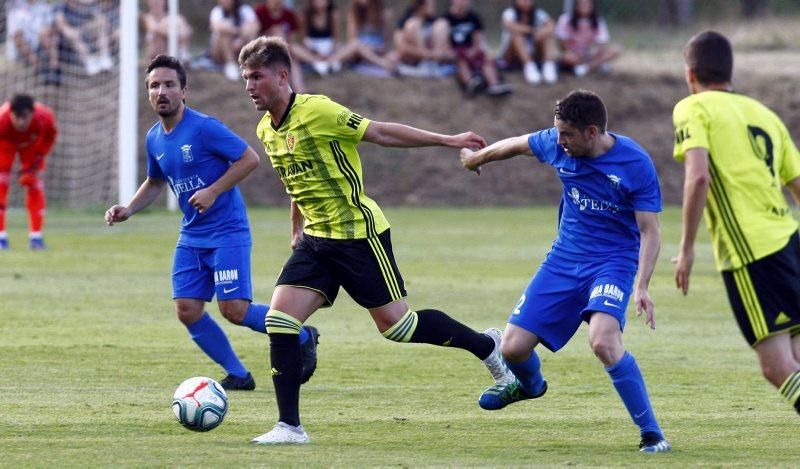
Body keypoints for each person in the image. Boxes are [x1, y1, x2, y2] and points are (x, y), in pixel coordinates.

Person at [238, 36, 514, 444]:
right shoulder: (266, 128)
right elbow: (296, 180)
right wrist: (296, 226)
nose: (248, 86)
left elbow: (381, 133)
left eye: (256, 76)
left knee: (399, 327)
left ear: (282, 76)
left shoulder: (318, 110)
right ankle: (289, 427)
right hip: (316, 241)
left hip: (358, 235)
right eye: (244, 77)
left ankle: (487, 347)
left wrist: (447, 140)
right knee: (280, 321)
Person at [459, 89, 671, 453]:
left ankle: (652, 434)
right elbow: (516, 144)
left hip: (612, 262)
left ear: (592, 131)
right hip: (563, 259)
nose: (558, 141)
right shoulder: (558, 144)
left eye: (566, 134)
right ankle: (529, 385)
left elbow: (649, 230)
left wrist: (643, 285)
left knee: (603, 341)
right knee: (512, 349)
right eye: (557, 132)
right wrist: (475, 158)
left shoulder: (634, 163)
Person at [104, 55, 319, 391]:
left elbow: (249, 158)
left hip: (227, 232)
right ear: (148, 92)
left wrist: (214, 190)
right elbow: (156, 181)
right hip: (192, 236)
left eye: (169, 85)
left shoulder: (204, 128)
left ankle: (303, 334)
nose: (162, 91)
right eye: (154, 85)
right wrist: (129, 209)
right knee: (187, 309)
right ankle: (238, 374)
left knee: (234, 309)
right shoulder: (154, 138)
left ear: (184, 90)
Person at [673, 31, 800, 416]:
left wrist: (686, 249)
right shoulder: (763, 113)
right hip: (789, 241)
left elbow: (698, 177)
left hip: (750, 250)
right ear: (729, 72)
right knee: (796, 354)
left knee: (776, 366)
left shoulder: (693, 108)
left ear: (690, 74)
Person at [0, 94, 57, 250]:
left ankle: (36, 238)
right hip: (5, 143)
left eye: (24, 117)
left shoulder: (45, 117)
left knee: (33, 183)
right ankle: (1, 238)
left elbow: (50, 138)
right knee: (1, 184)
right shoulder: (1, 120)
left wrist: (36, 161)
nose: (20, 122)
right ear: (10, 114)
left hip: (30, 145)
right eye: (16, 117)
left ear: (32, 113)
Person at [437, 0, 513, 96]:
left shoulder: (474, 18)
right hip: (455, 52)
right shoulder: (444, 19)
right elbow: (443, 42)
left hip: (471, 50)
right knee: (460, 60)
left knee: (486, 61)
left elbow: (478, 40)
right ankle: (470, 82)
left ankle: (494, 84)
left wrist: (474, 50)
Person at [497, 0, 558, 85]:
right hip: (511, 55)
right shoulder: (510, 13)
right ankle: (529, 66)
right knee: (517, 36)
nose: (526, 2)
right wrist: (531, 31)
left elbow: (551, 26)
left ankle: (548, 66)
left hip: (534, 52)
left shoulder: (539, 14)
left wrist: (541, 33)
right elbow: (510, 25)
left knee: (546, 37)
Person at [555, 0, 621, 77]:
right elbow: (562, 43)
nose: (584, 6)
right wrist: (575, 53)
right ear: (576, 5)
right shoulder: (565, 19)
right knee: (566, 57)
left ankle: (585, 68)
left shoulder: (598, 20)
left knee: (616, 49)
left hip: (590, 53)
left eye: (587, 4)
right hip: (573, 54)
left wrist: (588, 52)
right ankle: (596, 64)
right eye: (582, 4)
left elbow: (601, 44)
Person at [5, 0, 61, 85]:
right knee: (17, 36)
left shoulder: (44, 7)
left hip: (41, 44)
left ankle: (55, 69)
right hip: (24, 48)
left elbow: (50, 26)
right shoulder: (17, 9)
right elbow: (14, 33)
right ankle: (39, 70)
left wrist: (43, 32)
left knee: (49, 35)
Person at [253, 0, 306, 91]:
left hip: (285, 51)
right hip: (265, 51)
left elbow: (292, 39)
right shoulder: (259, 12)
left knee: (292, 59)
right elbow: (253, 38)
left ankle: (299, 90)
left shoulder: (289, 14)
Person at [53, 0, 114, 76]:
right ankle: (90, 62)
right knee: (72, 35)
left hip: (88, 34)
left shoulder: (86, 5)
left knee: (102, 30)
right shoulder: (61, 8)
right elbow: (62, 26)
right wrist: (73, 32)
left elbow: (103, 21)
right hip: (69, 43)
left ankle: (105, 58)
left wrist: (86, 28)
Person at [209, 0, 260, 81]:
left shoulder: (245, 10)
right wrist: (236, 31)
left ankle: (250, 65)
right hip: (220, 51)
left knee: (251, 33)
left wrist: (241, 38)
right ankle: (230, 65)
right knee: (224, 34)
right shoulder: (217, 11)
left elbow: (256, 26)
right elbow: (216, 27)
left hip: (241, 46)